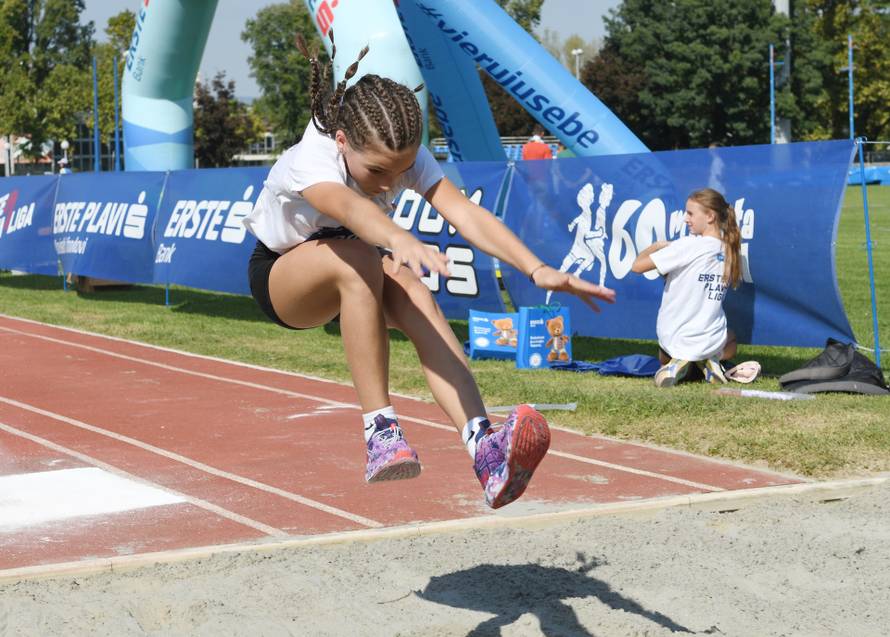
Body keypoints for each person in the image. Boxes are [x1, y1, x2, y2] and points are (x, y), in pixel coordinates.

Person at [243, 36, 616, 509]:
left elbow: (465, 212)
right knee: (360, 259)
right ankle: (380, 431)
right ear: (342, 142)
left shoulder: (402, 157)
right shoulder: (313, 157)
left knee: (417, 294)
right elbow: (346, 208)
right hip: (282, 276)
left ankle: (485, 449)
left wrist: (537, 268)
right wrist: (398, 238)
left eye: (400, 172)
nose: (390, 184)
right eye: (378, 171)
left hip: (355, 266)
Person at [631, 188, 740, 387]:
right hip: (710, 337)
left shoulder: (687, 245)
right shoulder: (730, 250)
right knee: (731, 339)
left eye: (690, 213)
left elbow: (637, 266)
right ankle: (708, 361)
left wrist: (658, 245)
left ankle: (679, 364)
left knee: (664, 355)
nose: (685, 219)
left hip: (674, 336)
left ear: (710, 216)